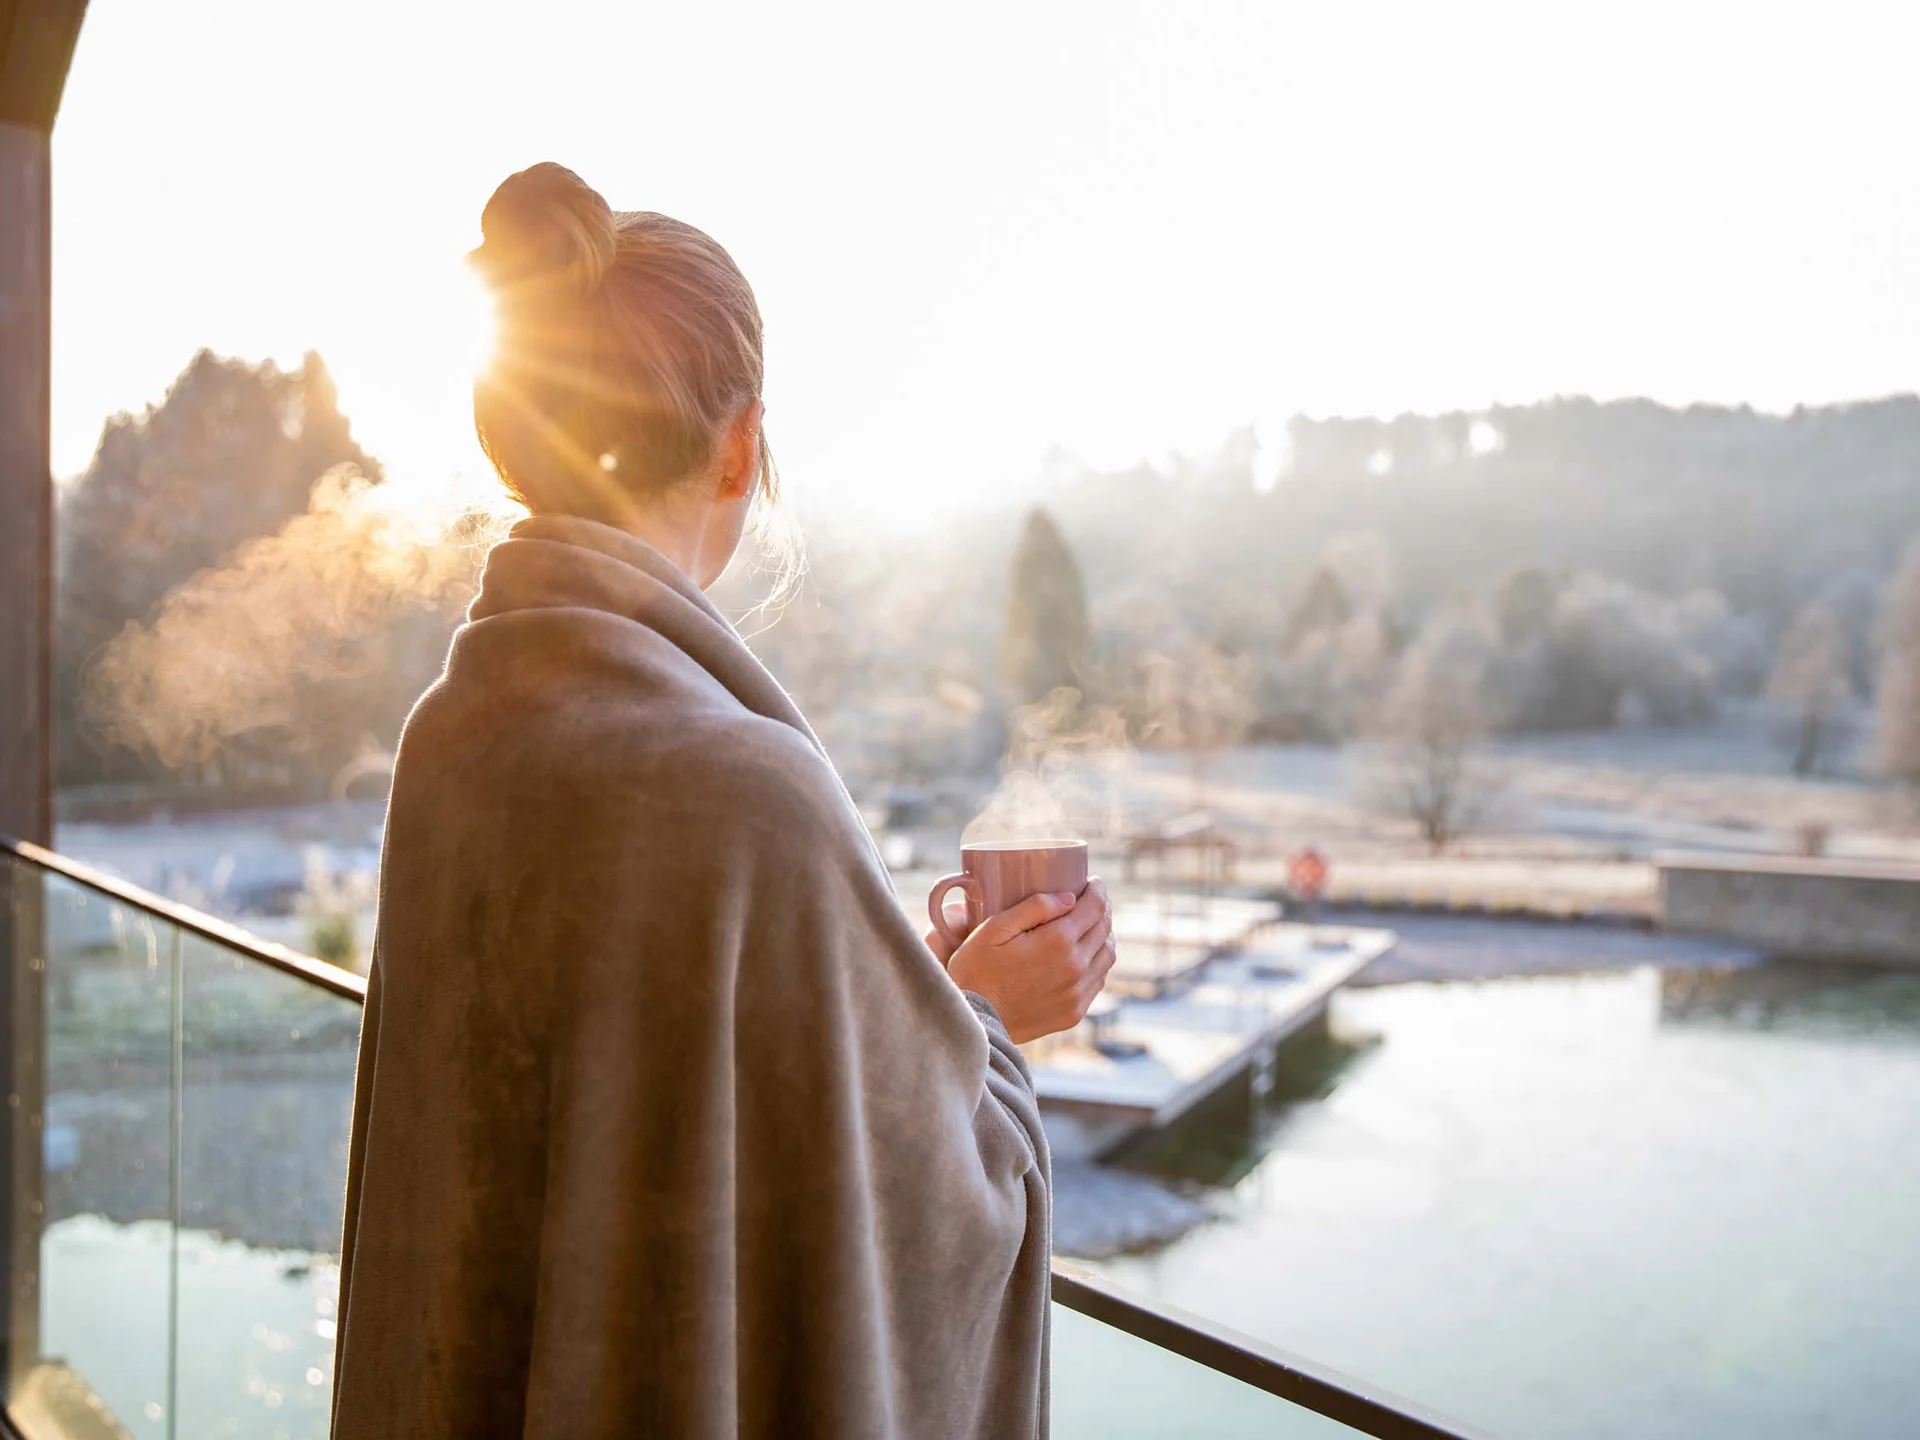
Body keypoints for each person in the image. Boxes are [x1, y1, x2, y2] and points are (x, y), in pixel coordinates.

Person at [330, 162, 1117, 1440]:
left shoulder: (457, 736)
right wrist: (991, 1024)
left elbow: (645, 1067)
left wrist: (889, 998)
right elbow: (918, 1214)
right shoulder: (746, 790)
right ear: (741, 444)